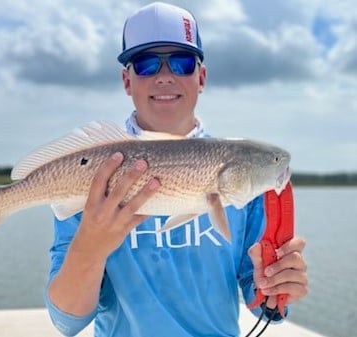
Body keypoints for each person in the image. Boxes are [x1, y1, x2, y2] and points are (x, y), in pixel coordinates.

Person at [45, 2, 308, 336]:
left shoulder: (244, 180)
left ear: (201, 77)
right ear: (127, 80)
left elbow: (259, 297)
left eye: (182, 62)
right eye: (147, 63)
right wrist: (90, 248)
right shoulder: (94, 172)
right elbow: (67, 321)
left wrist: (277, 286)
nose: (165, 76)